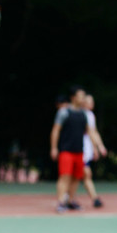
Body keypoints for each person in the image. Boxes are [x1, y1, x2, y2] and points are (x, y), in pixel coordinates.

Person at [50, 85, 102, 213]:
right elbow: (56, 130)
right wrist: (54, 148)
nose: (83, 98)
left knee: (76, 177)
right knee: (65, 176)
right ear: (73, 98)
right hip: (66, 150)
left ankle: (71, 201)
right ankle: (61, 202)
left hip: (79, 151)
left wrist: (96, 147)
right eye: (80, 96)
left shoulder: (84, 114)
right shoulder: (64, 112)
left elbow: (90, 132)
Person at [83, 94, 107, 208]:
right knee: (84, 174)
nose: (92, 103)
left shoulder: (91, 115)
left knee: (84, 174)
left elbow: (94, 132)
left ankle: (94, 198)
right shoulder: (80, 114)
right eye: (89, 101)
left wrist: (98, 147)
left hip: (86, 149)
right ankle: (94, 198)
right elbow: (90, 132)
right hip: (78, 148)